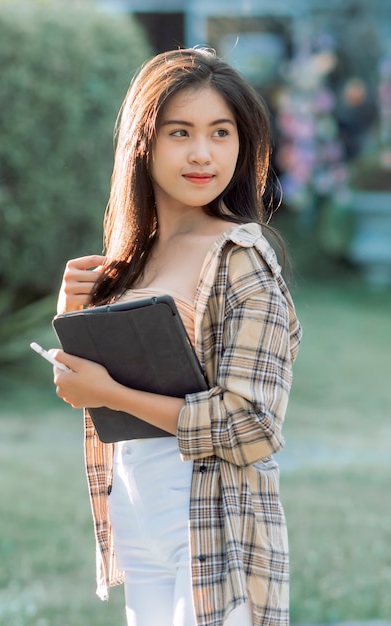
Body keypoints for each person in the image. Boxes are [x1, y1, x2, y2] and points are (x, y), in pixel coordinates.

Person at [51, 47, 302, 626]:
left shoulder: (241, 258)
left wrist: (111, 394)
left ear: (243, 146)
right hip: (137, 509)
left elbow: (253, 424)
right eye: (180, 132)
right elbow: (95, 391)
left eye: (220, 133)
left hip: (213, 514)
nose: (201, 154)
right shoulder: (131, 262)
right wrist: (71, 324)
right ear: (144, 141)